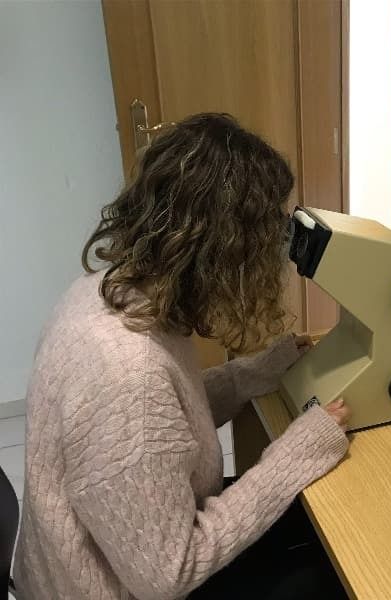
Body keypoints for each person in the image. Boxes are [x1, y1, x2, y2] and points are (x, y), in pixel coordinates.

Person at [13, 113, 351, 599]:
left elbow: (164, 422)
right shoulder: (127, 374)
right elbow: (168, 574)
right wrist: (295, 455)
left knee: (308, 524)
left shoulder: (106, 292)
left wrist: (248, 375)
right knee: (335, 571)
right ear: (226, 252)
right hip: (123, 583)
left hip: (115, 554)